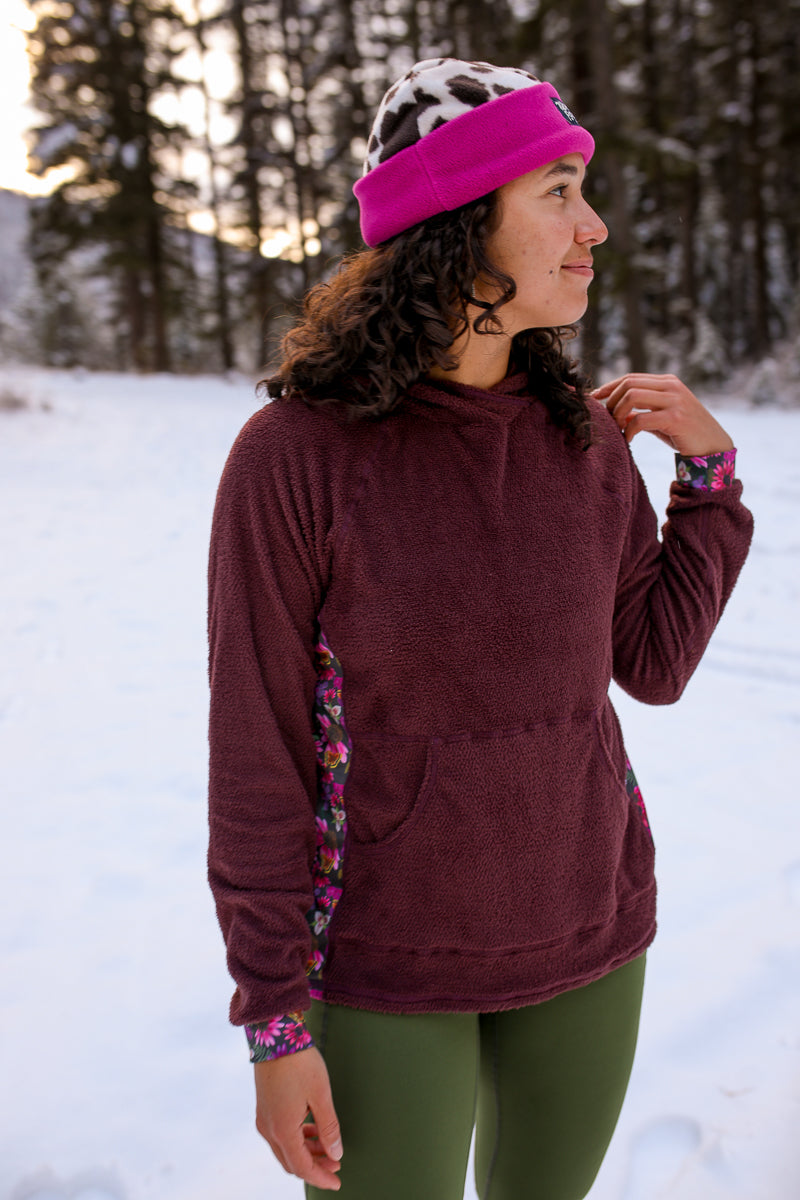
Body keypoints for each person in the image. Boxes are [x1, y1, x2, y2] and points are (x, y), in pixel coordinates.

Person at [207, 59, 753, 1199]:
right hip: (383, 963)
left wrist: (707, 483)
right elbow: (259, 753)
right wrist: (273, 1016)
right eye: (558, 192)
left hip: (588, 931)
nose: (593, 227)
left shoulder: (581, 441)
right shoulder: (297, 459)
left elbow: (651, 665)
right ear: (456, 222)